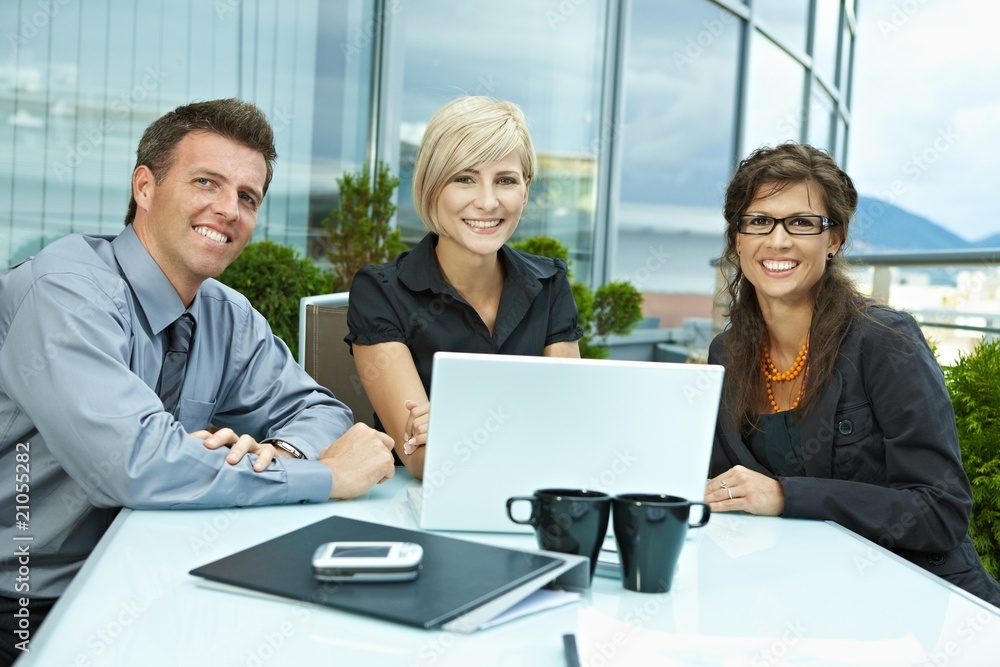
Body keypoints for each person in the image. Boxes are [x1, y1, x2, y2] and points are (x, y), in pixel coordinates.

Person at [0, 98, 396, 662]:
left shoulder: (225, 315)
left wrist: (278, 452)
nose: (228, 209)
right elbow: (135, 465)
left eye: (247, 197)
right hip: (26, 597)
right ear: (145, 187)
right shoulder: (65, 293)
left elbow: (319, 410)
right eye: (206, 182)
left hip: (148, 577)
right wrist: (323, 475)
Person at [703, 142, 1000, 605]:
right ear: (737, 239)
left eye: (802, 223)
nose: (778, 240)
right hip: (794, 598)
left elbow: (940, 512)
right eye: (759, 221)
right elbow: (728, 493)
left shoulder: (884, 341)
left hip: (917, 602)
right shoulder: (726, 353)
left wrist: (787, 495)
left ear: (834, 239)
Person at [345, 96, 583, 479]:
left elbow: (571, 428)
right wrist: (531, 420)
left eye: (505, 180)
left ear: (525, 189)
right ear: (430, 185)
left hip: (529, 501)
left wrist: (452, 424)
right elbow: (422, 460)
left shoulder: (549, 282)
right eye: (464, 179)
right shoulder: (381, 291)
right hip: (423, 510)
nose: (487, 202)